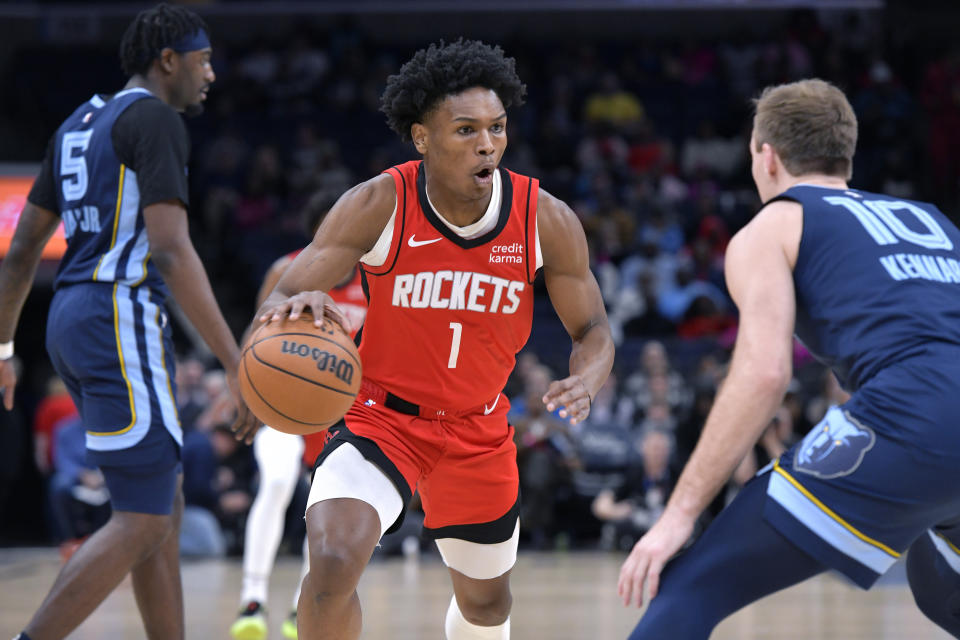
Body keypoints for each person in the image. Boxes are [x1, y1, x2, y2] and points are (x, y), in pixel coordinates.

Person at [254, 39, 614, 640]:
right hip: (380, 419)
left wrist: (589, 377)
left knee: (486, 605)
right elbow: (275, 298)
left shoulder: (542, 217)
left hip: (476, 430)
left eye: (497, 128)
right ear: (421, 138)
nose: (487, 144)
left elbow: (593, 329)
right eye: (467, 129)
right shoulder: (378, 203)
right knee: (333, 562)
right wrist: (297, 305)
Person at [618, 78, 960, 639]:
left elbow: (765, 372)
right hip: (938, 420)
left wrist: (677, 516)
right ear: (844, 154)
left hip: (916, 409)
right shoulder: (934, 223)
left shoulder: (775, 224)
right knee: (938, 582)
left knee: (689, 586)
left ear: (766, 156)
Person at [0, 5, 256, 639]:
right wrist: (235, 363)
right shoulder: (155, 118)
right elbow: (170, 250)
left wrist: (4, 345)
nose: (212, 74)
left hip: (69, 317)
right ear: (168, 60)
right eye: (203, 61)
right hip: (118, 312)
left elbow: (23, 250)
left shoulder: (77, 124)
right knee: (141, 519)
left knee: (157, 505)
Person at [231, 193, 368, 640]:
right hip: (286, 402)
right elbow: (256, 344)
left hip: (341, 409)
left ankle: (297, 609)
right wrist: (247, 395)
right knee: (275, 482)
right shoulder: (284, 271)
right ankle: (252, 600)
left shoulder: (378, 278)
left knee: (324, 506)